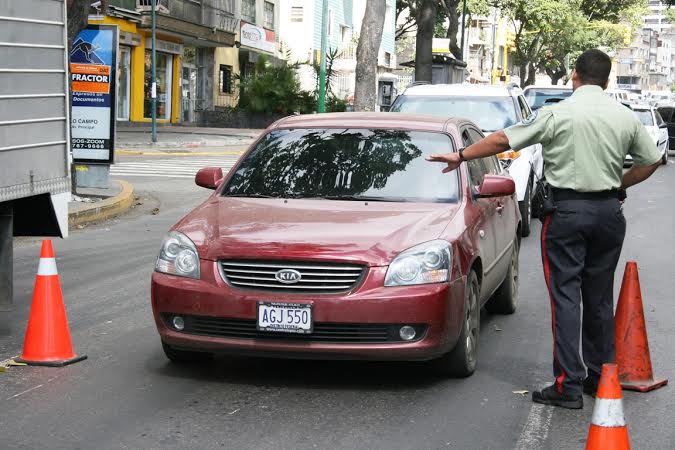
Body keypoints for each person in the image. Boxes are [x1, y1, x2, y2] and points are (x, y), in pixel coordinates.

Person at [426, 49, 662, 409]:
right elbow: (651, 160)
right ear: (608, 79)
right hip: (608, 214)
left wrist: (460, 156)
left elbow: (504, 141)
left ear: (575, 76)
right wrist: (620, 186)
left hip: (566, 214)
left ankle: (568, 384)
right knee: (599, 298)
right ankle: (601, 377)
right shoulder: (624, 117)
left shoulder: (556, 113)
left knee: (567, 297)